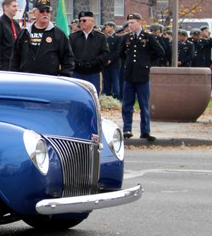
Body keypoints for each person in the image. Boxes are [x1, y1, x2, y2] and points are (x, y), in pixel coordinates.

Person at [119, 12, 165, 142]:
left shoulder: (148, 37)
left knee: (144, 105)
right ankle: (127, 129)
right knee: (127, 104)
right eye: (129, 23)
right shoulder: (126, 38)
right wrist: (127, 64)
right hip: (129, 75)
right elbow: (120, 53)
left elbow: (159, 52)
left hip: (142, 75)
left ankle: (145, 131)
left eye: (133, 23)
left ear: (140, 22)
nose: (130, 26)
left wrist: (147, 62)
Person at [10, 0, 74, 77]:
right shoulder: (25, 33)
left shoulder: (58, 34)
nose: (45, 13)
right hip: (26, 80)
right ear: (34, 12)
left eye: (48, 11)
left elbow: (68, 59)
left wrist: (64, 77)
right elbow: (15, 58)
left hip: (50, 81)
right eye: (42, 11)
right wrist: (15, 76)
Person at [68, 11, 109, 93]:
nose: (81, 23)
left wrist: (93, 63)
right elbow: (69, 54)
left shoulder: (100, 37)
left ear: (92, 21)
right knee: (76, 95)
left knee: (93, 96)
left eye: (84, 20)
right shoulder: (73, 37)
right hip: (77, 72)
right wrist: (78, 63)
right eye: (80, 21)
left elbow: (105, 54)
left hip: (93, 73)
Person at [0, 0, 19, 71]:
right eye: (14, 6)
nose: (16, 9)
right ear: (6, 7)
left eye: (17, 6)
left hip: (15, 62)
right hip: (5, 63)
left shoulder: (15, 24)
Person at [102, 21, 122, 99]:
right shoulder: (104, 38)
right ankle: (107, 96)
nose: (106, 29)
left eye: (107, 27)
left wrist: (110, 59)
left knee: (115, 81)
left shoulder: (118, 38)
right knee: (106, 81)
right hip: (105, 64)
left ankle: (116, 97)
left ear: (112, 27)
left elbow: (118, 51)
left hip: (114, 64)